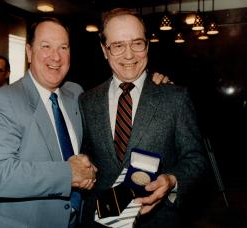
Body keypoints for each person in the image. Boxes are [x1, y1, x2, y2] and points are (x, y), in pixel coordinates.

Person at [79, 8, 208, 228]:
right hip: (98, 220)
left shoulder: (174, 98)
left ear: (147, 45)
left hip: (158, 220)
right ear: (104, 50)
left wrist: (171, 180)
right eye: (118, 45)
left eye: (137, 43)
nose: (129, 55)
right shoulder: (87, 101)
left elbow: (196, 159)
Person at [0, 17, 97, 228]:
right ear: (29, 52)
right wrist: (68, 174)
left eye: (63, 47)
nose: (56, 57)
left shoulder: (75, 93)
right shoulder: (4, 100)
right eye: (46, 46)